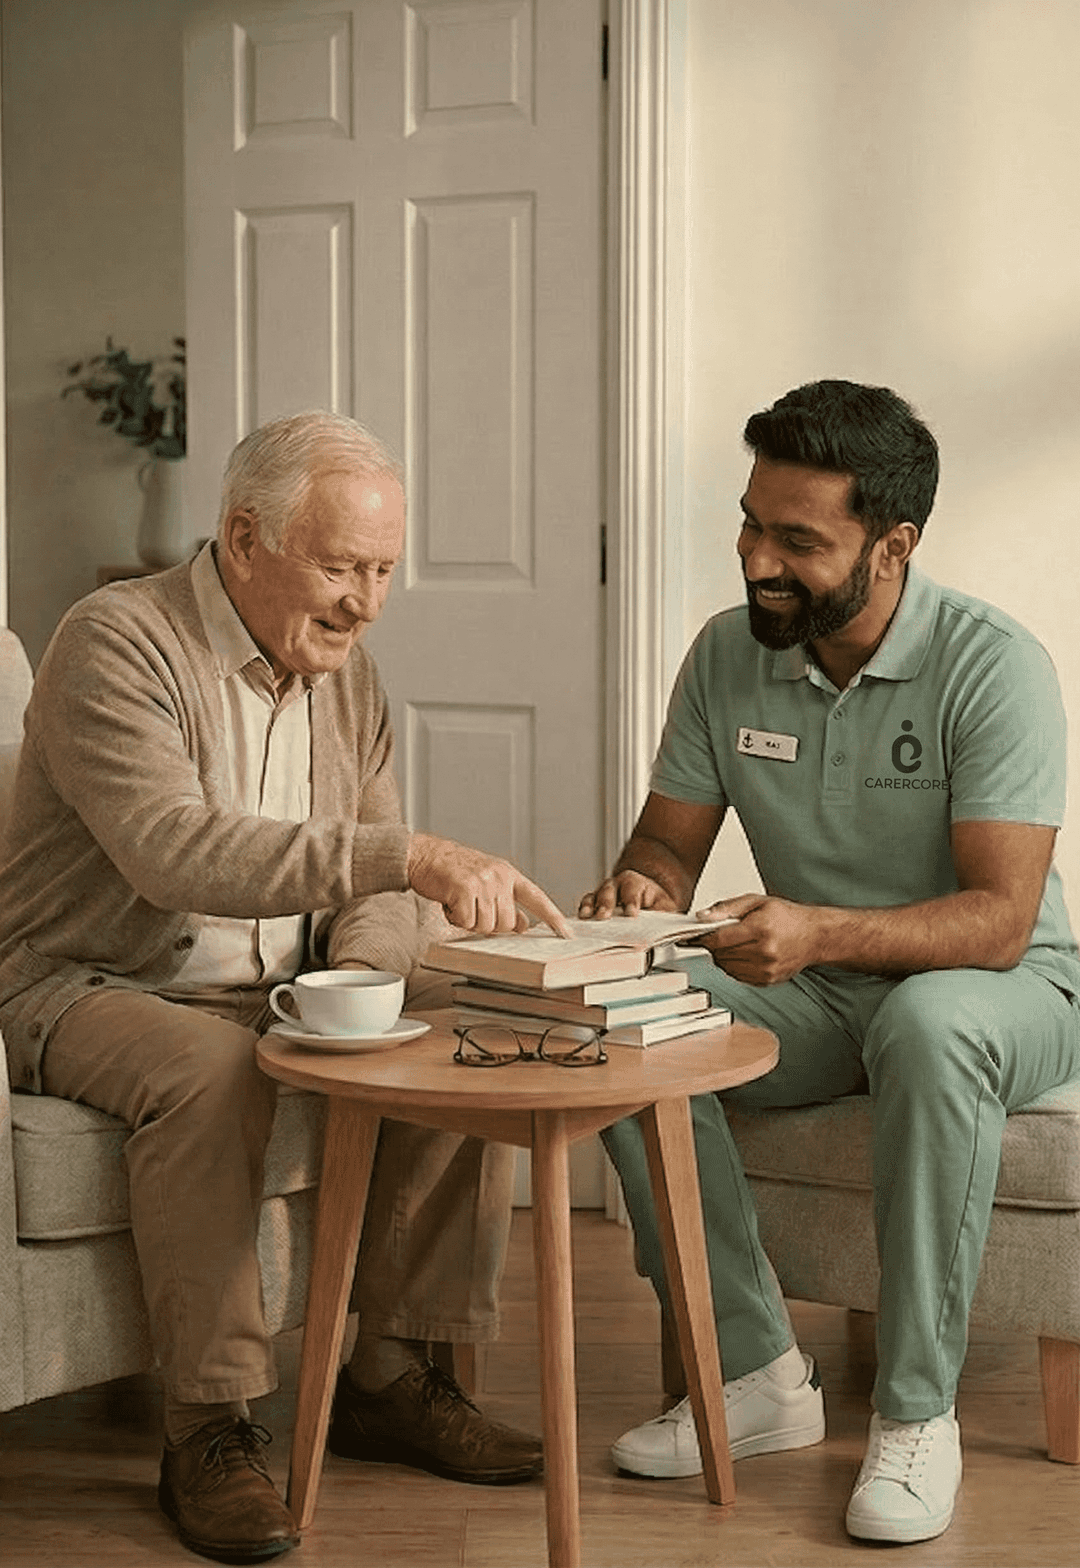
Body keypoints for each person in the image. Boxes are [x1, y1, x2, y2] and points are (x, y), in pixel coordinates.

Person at [0, 410, 573, 1565]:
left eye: (384, 571)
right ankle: (208, 1426)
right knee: (211, 1069)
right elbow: (172, 849)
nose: (367, 603)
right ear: (245, 537)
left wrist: (368, 981)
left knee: (463, 1025)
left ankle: (391, 1371)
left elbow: (376, 882)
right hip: (89, 981)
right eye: (342, 567)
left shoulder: (349, 676)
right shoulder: (115, 640)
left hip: (275, 984)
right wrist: (409, 857)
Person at [578, 379, 1080, 1545]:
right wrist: (641, 892)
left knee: (928, 1023)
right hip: (814, 991)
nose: (759, 560)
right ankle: (755, 1372)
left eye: (798, 541)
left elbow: (999, 923)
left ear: (892, 546)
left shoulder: (993, 664)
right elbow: (666, 845)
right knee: (616, 1007)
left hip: (1009, 990)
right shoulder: (725, 656)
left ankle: (917, 1414)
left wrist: (813, 930)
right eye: (751, 524)